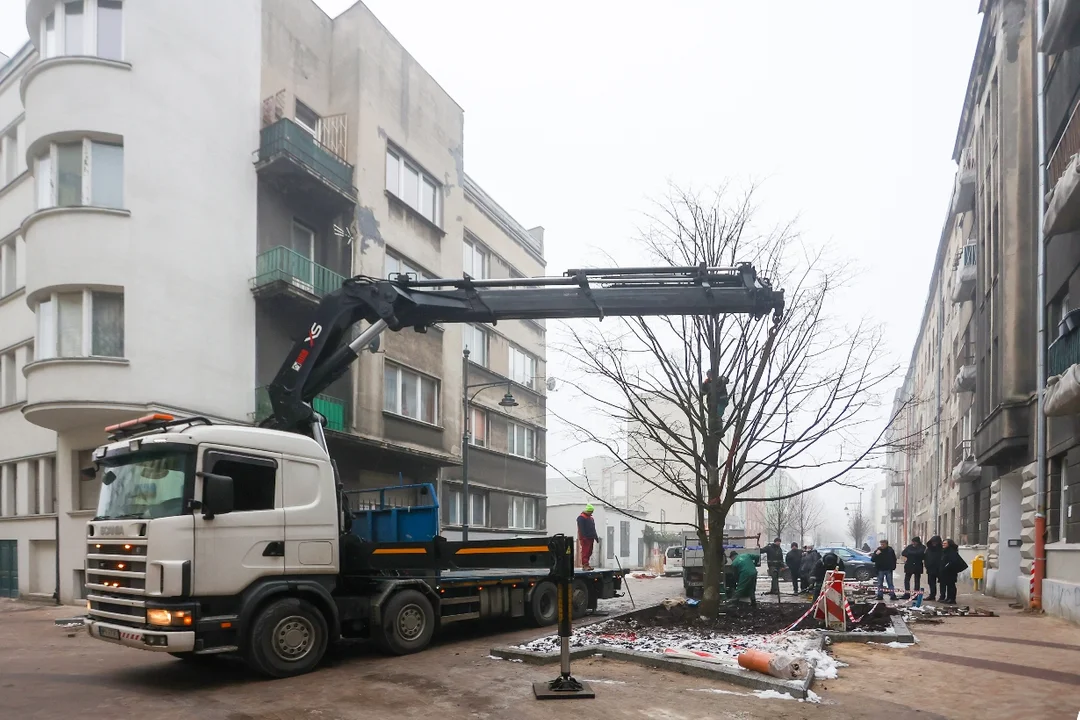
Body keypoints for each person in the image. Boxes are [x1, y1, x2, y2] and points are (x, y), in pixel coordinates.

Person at [940, 538, 968, 605]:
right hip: (946, 572)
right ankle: (948, 598)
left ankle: (952, 599)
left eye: (945, 543)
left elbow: (953, 561)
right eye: (943, 543)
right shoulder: (945, 551)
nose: (943, 544)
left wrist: (946, 566)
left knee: (951, 585)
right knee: (948, 585)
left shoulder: (951, 551)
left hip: (951, 571)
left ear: (949, 544)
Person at [576, 504, 600, 570]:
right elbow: (581, 528)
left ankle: (587, 564)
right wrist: (584, 537)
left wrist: (596, 537)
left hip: (591, 537)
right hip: (585, 538)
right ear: (588, 510)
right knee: (585, 552)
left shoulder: (591, 518)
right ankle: (585, 565)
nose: (591, 513)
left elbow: (593, 528)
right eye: (591, 511)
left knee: (589, 551)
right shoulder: (581, 518)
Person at [924, 535, 944, 601]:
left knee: (942, 583)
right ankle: (932, 595)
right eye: (933, 542)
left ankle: (942, 596)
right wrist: (927, 566)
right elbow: (926, 558)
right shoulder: (929, 549)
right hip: (930, 569)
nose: (934, 543)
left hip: (940, 569)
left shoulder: (942, 549)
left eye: (935, 542)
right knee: (931, 582)